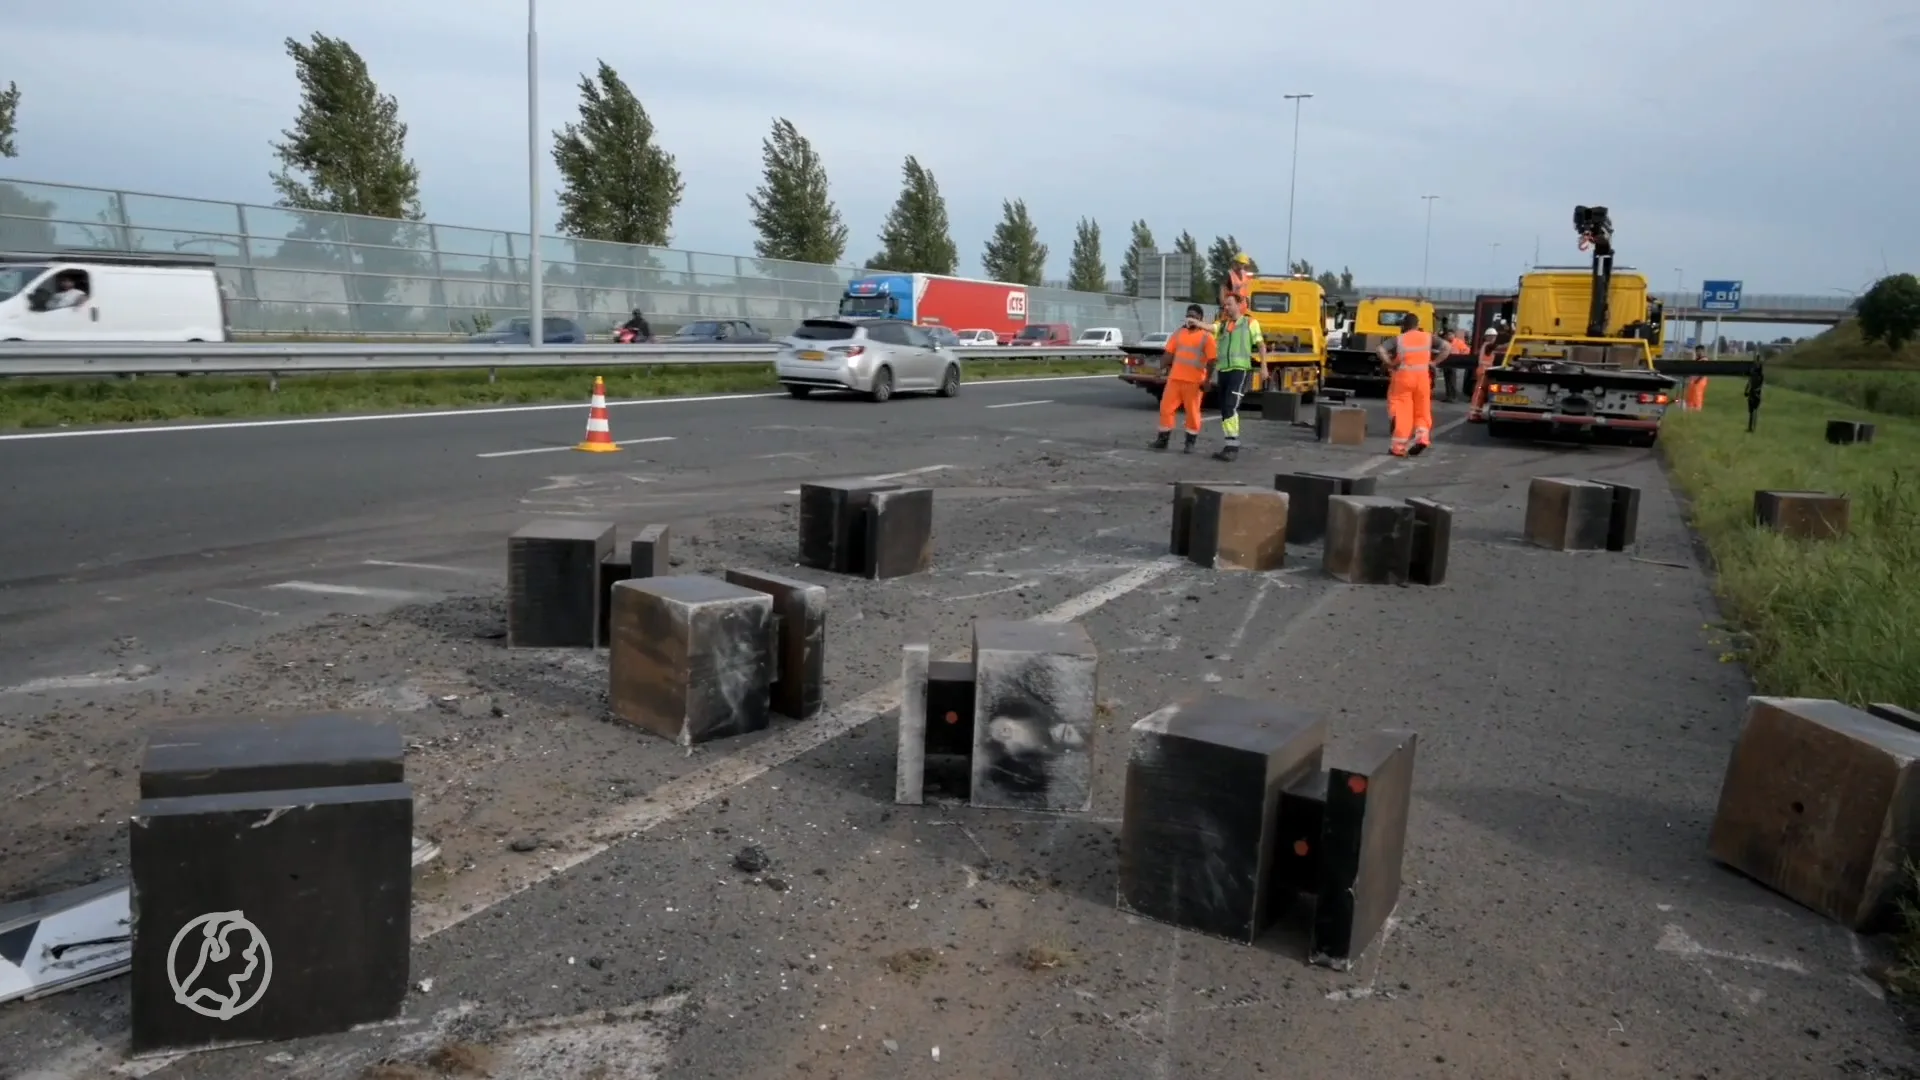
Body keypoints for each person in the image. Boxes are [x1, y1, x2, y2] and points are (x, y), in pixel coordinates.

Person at [1375, 312, 1451, 456]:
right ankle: (1422, 438)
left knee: (1403, 412)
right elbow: (1447, 347)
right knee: (1422, 410)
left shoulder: (1400, 339)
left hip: (1404, 377)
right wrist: (1434, 363)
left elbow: (1380, 349)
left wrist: (1390, 363)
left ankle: (1398, 447)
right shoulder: (1428, 338)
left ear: (1404, 325)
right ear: (1417, 324)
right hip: (1423, 378)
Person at [1150, 304, 1217, 453]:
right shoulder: (1178, 333)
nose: (1190, 318)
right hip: (1175, 379)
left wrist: (1207, 381)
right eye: (1188, 315)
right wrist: (1160, 370)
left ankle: (1190, 443)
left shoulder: (1207, 337)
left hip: (1194, 382)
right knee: (1166, 409)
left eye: (1193, 316)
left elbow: (1212, 360)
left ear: (1200, 319)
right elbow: (1168, 353)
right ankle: (1162, 440)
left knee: (1192, 413)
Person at [1210, 291, 1266, 461]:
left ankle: (1233, 446)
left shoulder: (1250, 322)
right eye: (1224, 305)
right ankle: (1229, 444)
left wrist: (1264, 367)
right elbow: (1211, 328)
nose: (1226, 307)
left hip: (1239, 371)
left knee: (1230, 406)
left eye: (1229, 304)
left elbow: (1261, 345)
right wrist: (1197, 322)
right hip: (1224, 371)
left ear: (1239, 305)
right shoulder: (1224, 324)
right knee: (1225, 409)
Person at [1467, 327, 1500, 421]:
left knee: (1481, 393)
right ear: (1488, 337)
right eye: (1493, 336)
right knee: (1479, 393)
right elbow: (1501, 347)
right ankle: (1473, 415)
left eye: (1495, 336)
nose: (1494, 338)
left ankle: (1476, 414)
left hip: (1485, 372)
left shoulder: (1487, 346)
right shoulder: (1488, 345)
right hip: (1483, 372)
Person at [1685, 346, 1709, 410]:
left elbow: (1704, 371)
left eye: (1699, 351)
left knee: (1697, 394)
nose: (1698, 352)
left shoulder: (1704, 360)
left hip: (1700, 380)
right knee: (1691, 394)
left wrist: (1698, 380)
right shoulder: (1697, 359)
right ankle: (1690, 406)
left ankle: (1698, 407)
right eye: (1697, 351)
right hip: (1694, 380)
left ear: (1703, 351)